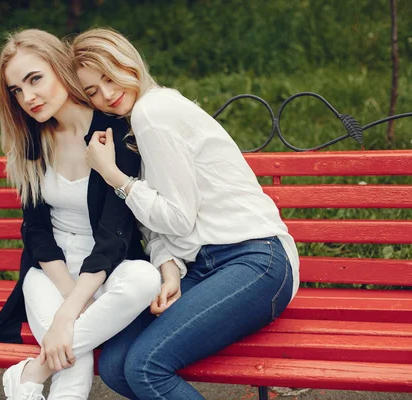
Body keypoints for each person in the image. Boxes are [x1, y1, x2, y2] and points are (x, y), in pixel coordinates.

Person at [72, 28, 301, 400]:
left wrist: (112, 175)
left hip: (257, 259)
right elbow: (159, 226)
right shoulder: (138, 122)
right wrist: (168, 272)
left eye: (109, 76)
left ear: (128, 61)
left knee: (145, 368)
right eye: (93, 91)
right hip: (206, 264)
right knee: (115, 366)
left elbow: (177, 218)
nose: (108, 93)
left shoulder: (154, 112)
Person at [0, 29, 161, 400]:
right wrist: (72, 303)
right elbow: (35, 233)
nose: (28, 97)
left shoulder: (114, 132)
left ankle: (31, 373)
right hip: (49, 273)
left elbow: (116, 234)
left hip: (108, 267)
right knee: (74, 360)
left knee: (145, 278)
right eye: (17, 90)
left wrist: (70, 315)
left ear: (59, 68)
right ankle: (36, 374)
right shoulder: (31, 141)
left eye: (35, 79)